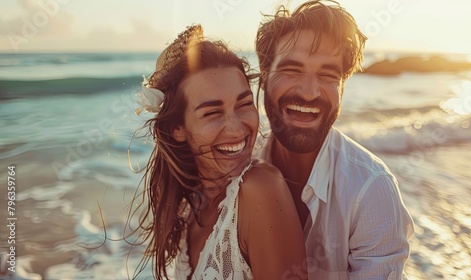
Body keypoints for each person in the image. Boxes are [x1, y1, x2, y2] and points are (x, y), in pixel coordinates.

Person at [132, 25, 307, 280]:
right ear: (177, 128)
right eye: (213, 113)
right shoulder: (190, 205)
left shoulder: (262, 188)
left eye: (244, 104)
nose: (236, 129)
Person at [254, 1, 414, 279]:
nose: (309, 92)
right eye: (292, 70)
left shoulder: (371, 191)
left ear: (342, 85)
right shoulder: (237, 169)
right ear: (264, 76)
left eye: (328, 75)